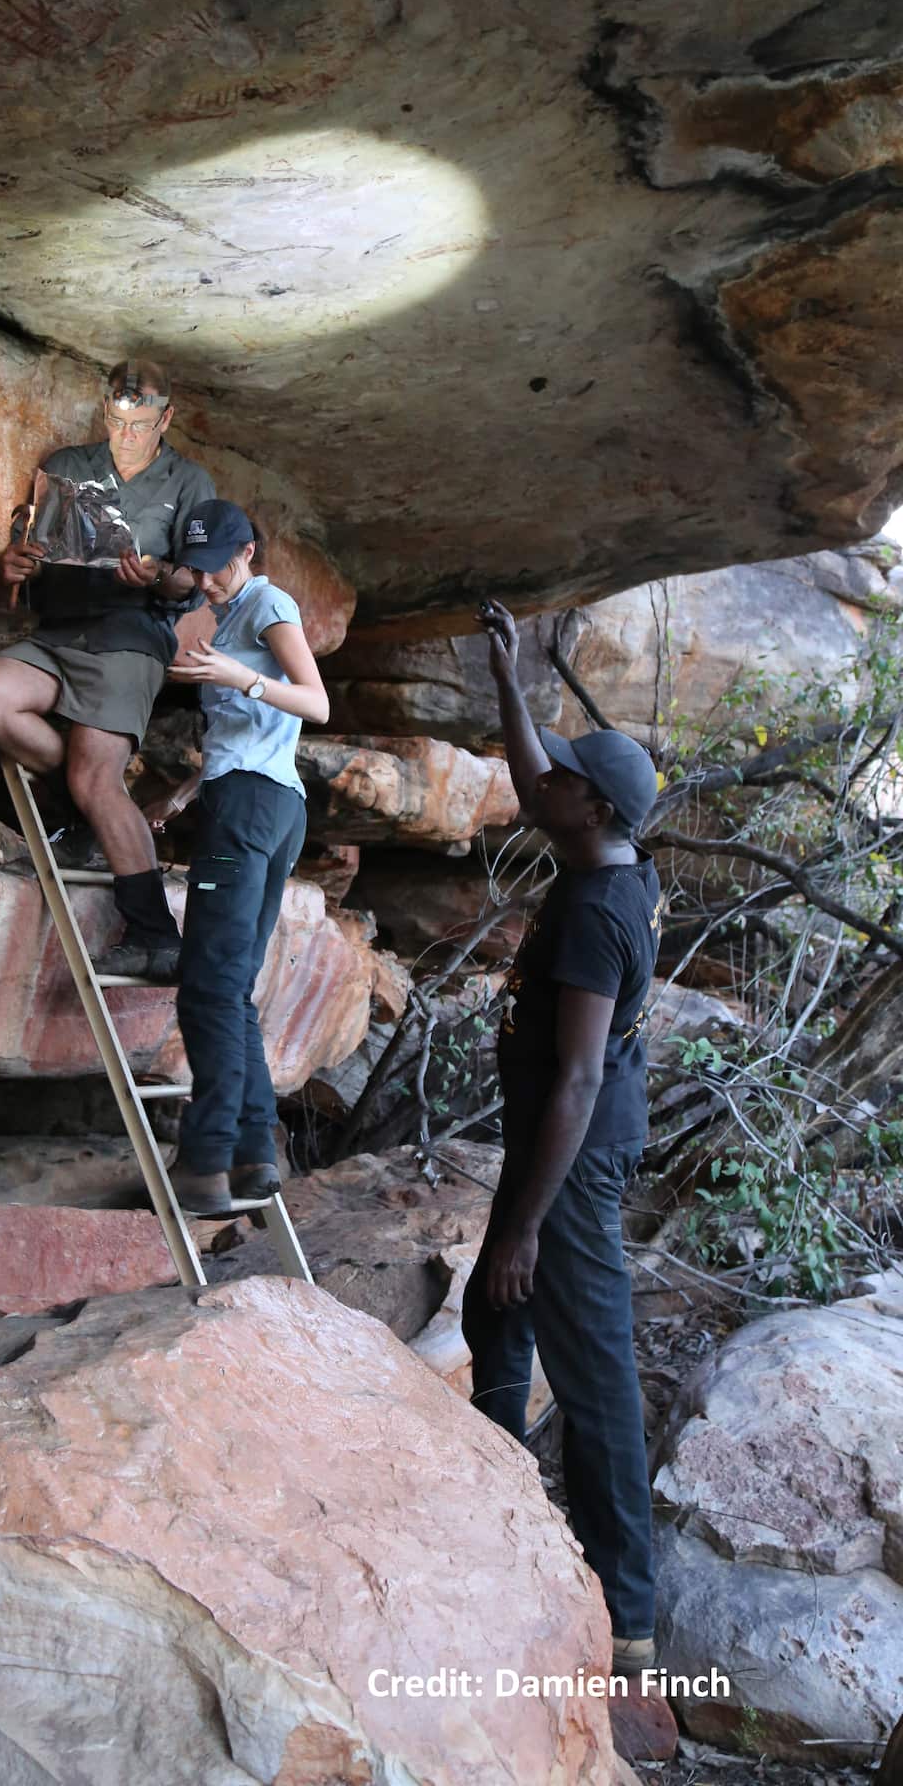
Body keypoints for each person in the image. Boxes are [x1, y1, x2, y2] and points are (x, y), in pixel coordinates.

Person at [460, 600, 662, 1680]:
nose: (546, 777)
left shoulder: (591, 914)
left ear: (589, 804)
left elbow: (578, 1077)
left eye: (566, 771)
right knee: (489, 1318)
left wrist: (524, 1228)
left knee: (592, 1376)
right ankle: (491, 1507)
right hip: (565, 1151)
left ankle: (625, 1617)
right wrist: (507, 677)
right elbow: (536, 772)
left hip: (571, 1165)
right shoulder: (609, 856)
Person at [0, 359, 215, 981]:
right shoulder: (69, 465)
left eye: (143, 422)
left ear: (165, 418)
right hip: (60, 631)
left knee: (97, 780)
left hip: (131, 634)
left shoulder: (188, 481)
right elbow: (40, 551)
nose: (129, 432)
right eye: (120, 418)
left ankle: (157, 934)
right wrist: (16, 565)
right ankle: (89, 808)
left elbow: (195, 579)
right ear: (107, 410)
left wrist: (157, 573)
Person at [142, 500, 329, 1215]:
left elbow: (315, 704)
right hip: (268, 804)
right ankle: (256, 1155)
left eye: (218, 563)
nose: (206, 578)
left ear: (246, 550)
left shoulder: (266, 600)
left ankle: (205, 1160)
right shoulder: (226, 612)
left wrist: (233, 674)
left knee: (209, 986)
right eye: (197, 565)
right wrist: (188, 792)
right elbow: (255, 735)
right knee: (234, 988)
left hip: (252, 809)